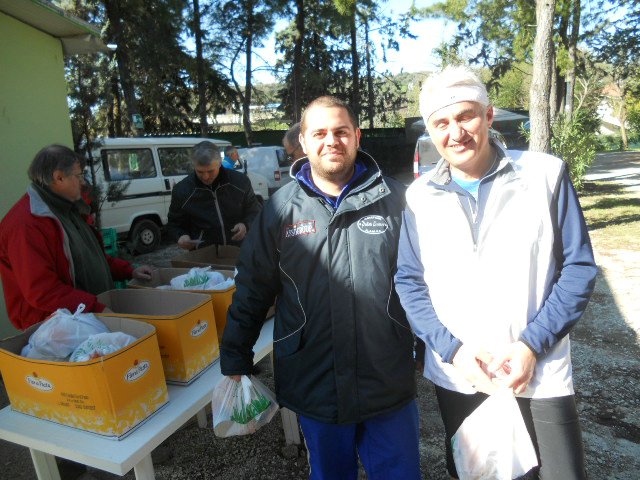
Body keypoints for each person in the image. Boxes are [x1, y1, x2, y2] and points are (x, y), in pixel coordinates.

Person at [395, 66, 597, 479]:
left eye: (465, 116)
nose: (456, 133)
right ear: (430, 131)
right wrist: (453, 351)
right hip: (463, 375)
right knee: (479, 474)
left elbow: (578, 267)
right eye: (441, 123)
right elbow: (409, 282)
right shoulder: (418, 197)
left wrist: (531, 345)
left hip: (540, 372)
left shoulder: (544, 175)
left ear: (488, 116)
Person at [220, 96, 420, 479]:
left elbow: (424, 283)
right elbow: (253, 286)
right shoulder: (279, 210)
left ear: (357, 136)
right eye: (320, 133)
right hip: (314, 381)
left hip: (386, 380)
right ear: (304, 141)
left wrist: (430, 347)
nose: (332, 141)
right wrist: (235, 354)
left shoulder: (397, 201)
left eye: (341, 131)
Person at [0, 144, 153, 331]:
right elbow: (42, 291)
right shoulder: (26, 224)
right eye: (79, 175)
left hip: (85, 316)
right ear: (59, 177)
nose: (83, 182)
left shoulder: (68, 208)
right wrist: (95, 307)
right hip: (57, 330)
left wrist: (129, 270)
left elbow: (91, 257)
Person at [166, 141, 261, 250]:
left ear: (220, 163)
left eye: (210, 171)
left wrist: (246, 225)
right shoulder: (182, 190)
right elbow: (173, 224)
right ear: (193, 165)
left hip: (240, 250)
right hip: (204, 254)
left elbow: (255, 211)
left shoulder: (240, 182)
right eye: (200, 172)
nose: (205, 177)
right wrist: (180, 236)